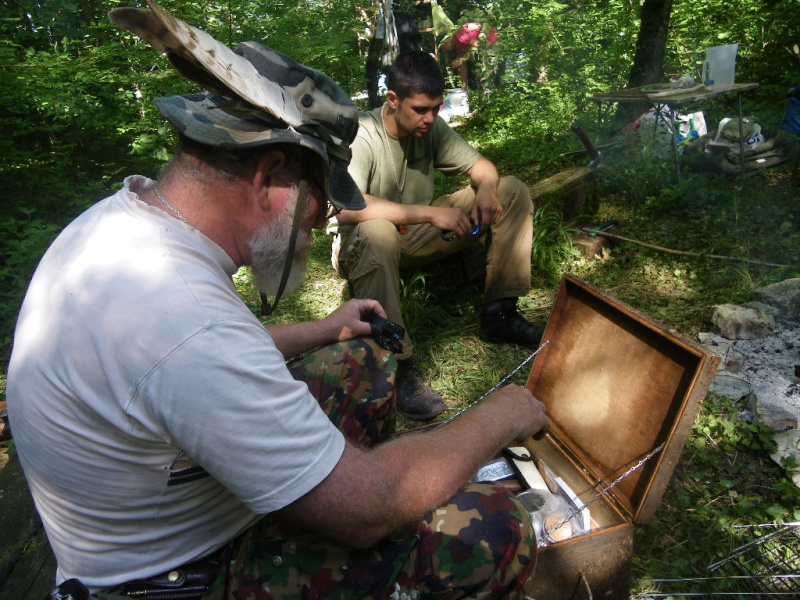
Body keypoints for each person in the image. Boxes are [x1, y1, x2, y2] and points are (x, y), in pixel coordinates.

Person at [7, 3, 550, 600]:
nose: (319, 223)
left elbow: (175, 368)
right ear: (269, 176)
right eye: (320, 200)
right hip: (178, 575)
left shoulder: (126, 229)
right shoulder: (185, 317)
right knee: (495, 527)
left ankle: (317, 476)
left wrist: (324, 328)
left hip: (154, 507)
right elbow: (368, 509)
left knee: (363, 361)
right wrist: (501, 416)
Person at [332, 50, 541, 422]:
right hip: (363, 242)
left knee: (512, 189)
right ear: (392, 100)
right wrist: (430, 212)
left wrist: (487, 189)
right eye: (421, 109)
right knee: (377, 231)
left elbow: (482, 167)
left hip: (415, 235)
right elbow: (347, 207)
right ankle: (397, 366)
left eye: (436, 108)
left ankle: (500, 313)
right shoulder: (362, 134)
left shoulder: (430, 127)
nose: (431, 118)